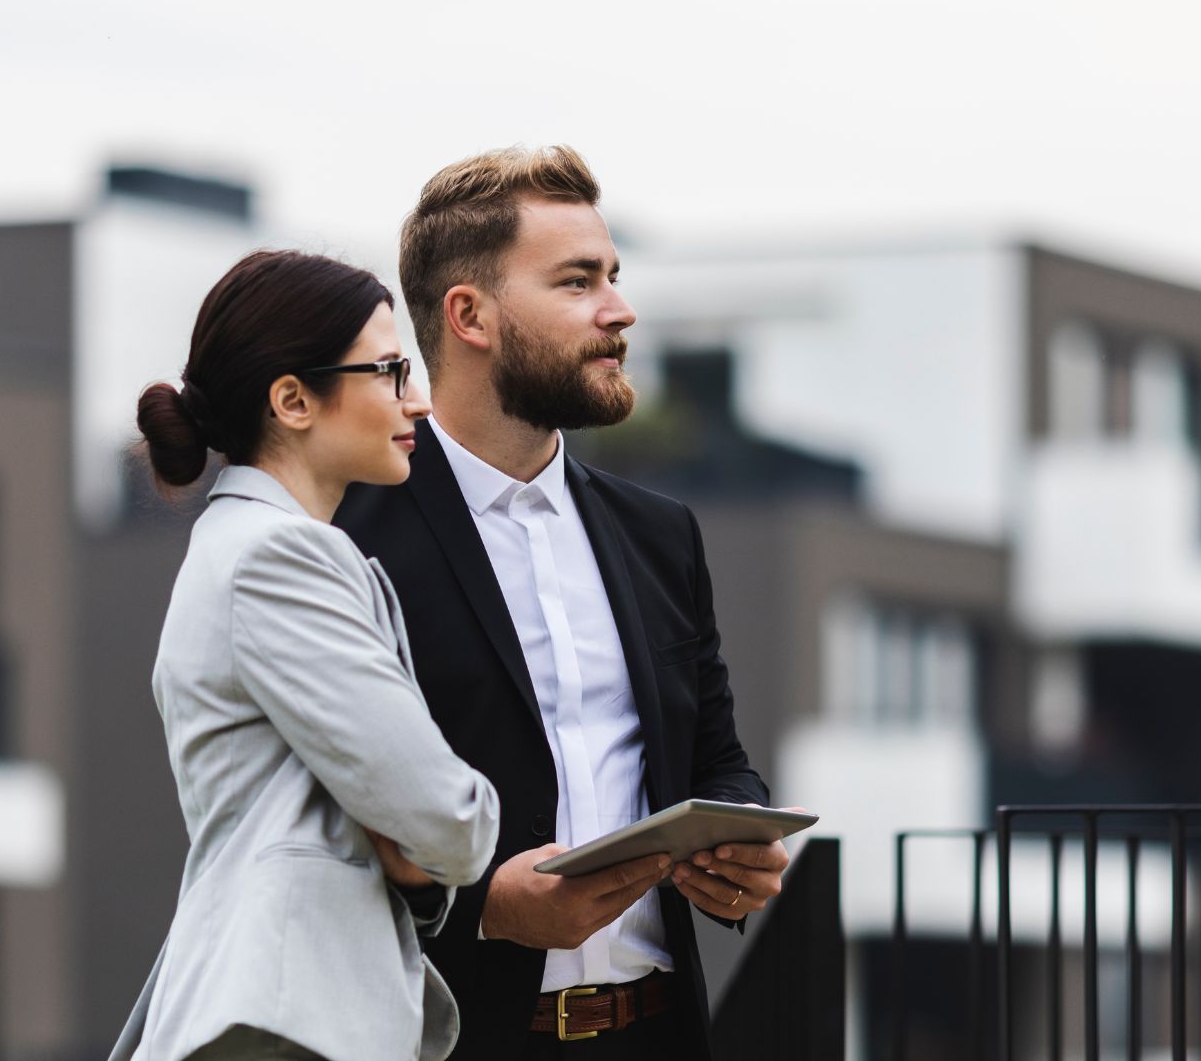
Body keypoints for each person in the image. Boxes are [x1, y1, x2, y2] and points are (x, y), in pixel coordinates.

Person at [334, 147, 786, 1061]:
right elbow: (308, 829)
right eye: (578, 282)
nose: (619, 310)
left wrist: (737, 844)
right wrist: (487, 911)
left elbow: (720, 762)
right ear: (470, 315)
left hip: (658, 1036)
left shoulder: (662, 535)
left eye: (614, 277)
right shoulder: (347, 535)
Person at [113, 250, 501, 1061]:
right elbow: (448, 819)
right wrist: (436, 837)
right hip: (286, 1023)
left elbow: (416, 841)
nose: (419, 401)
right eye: (391, 372)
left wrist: (418, 860)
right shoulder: (277, 559)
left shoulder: (246, 548)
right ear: (292, 400)